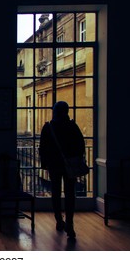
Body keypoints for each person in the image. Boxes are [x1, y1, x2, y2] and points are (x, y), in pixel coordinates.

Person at [39, 101, 85, 239]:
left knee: (56, 192)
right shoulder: (72, 126)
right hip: (70, 164)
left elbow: (43, 148)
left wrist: (44, 164)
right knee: (70, 194)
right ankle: (70, 224)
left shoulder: (49, 127)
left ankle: (59, 220)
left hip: (54, 164)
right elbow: (81, 145)